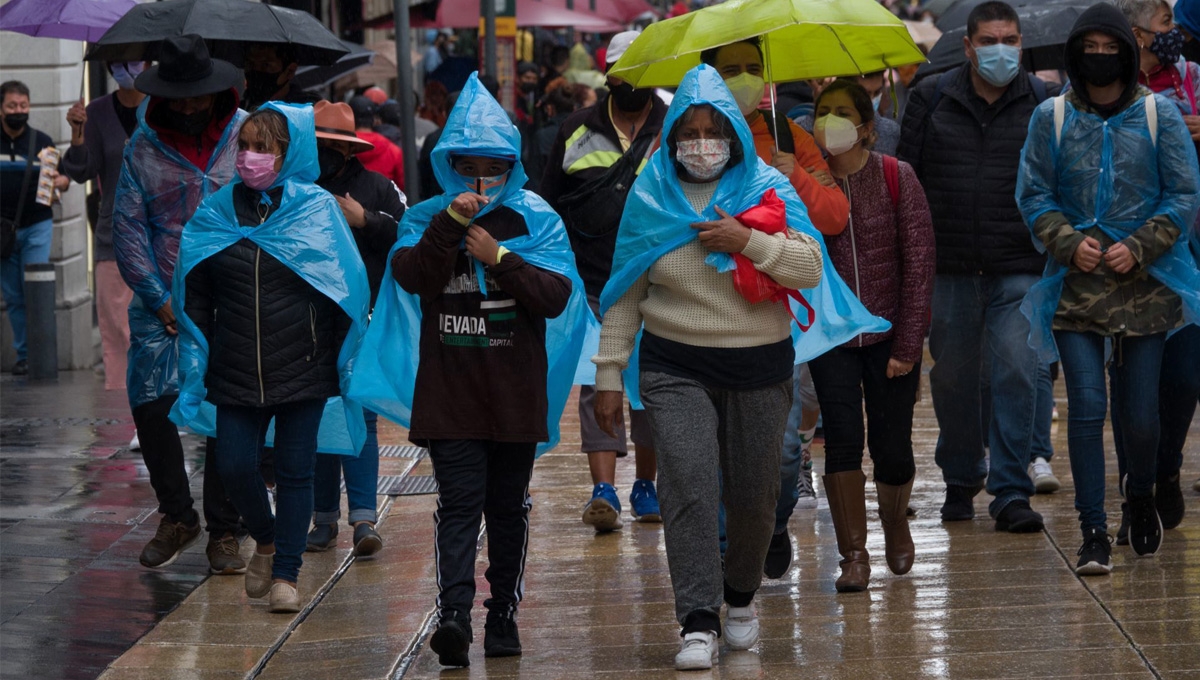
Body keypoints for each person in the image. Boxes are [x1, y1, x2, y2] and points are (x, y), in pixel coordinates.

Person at [593, 64, 882, 671]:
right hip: (675, 364)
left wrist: (745, 241)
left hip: (759, 364)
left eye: (713, 130)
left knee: (755, 495)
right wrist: (609, 371)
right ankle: (697, 619)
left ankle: (740, 597)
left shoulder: (768, 184)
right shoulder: (652, 193)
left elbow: (807, 267)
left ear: (733, 133)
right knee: (690, 486)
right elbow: (624, 288)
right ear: (671, 138)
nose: (701, 143)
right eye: (688, 132)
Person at [346, 73, 593, 667]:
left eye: (495, 167)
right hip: (450, 394)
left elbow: (556, 296)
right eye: (469, 166)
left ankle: (502, 611)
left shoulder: (537, 218)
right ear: (449, 165)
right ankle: (453, 613)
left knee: (508, 508)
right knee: (457, 505)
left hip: (515, 393)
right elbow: (411, 276)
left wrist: (500, 258)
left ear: (513, 166)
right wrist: (450, 226)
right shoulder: (428, 216)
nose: (482, 179)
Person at [1017, 3, 1200, 573]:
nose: (1100, 56)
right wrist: (1066, 241)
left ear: (1127, 49)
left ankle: (1139, 494)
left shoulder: (1159, 114)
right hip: (1076, 284)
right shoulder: (1050, 118)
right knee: (1088, 406)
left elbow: (1183, 193)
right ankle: (1092, 529)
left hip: (1147, 282)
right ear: (1075, 53)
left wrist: (1141, 244)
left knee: (1142, 414)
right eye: (1088, 47)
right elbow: (1033, 194)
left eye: (1109, 45)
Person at [173, 103, 370, 611]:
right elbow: (193, 281)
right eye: (245, 146)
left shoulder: (315, 210)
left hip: (303, 366)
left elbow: (345, 286)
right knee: (236, 466)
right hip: (234, 365)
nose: (250, 157)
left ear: (290, 153)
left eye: (264, 147)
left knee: (295, 470)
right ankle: (264, 538)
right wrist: (198, 340)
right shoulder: (216, 211)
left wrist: (334, 357)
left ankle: (286, 573)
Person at [898, 1, 1056, 532]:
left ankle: (1011, 490)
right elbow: (909, 183)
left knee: (1018, 369)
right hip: (951, 267)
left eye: (1009, 40)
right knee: (955, 380)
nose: (1001, 50)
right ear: (967, 47)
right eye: (989, 41)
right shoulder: (930, 98)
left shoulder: (1042, 102)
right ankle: (963, 475)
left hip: (1020, 264)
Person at [701, 37, 851, 573]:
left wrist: (796, 174)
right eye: (730, 69)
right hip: (708, 317)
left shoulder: (789, 135)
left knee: (783, 451)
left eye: (751, 69)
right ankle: (726, 560)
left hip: (784, 314)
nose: (742, 78)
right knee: (715, 447)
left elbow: (834, 216)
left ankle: (773, 521)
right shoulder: (686, 139)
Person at [111, 35, 247, 574]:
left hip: (232, 293)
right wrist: (157, 296)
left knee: (227, 412)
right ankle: (176, 514)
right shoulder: (141, 150)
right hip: (161, 300)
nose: (191, 107)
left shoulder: (245, 136)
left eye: (200, 96)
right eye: (181, 97)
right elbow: (127, 227)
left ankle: (224, 529)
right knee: (152, 407)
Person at [807, 79, 935, 592]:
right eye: (823, 111)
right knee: (840, 441)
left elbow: (920, 265)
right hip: (833, 338)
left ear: (866, 127)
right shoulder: (806, 183)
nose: (831, 120)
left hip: (887, 335)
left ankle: (895, 519)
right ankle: (852, 555)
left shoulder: (895, 176)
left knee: (893, 447)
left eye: (842, 112)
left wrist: (908, 345)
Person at [539, 30, 667, 533]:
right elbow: (550, 203)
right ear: (609, 76)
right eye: (623, 73)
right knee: (598, 381)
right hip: (593, 281)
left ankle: (647, 483)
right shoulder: (575, 129)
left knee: (650, 384)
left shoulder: (672, 127)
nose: (631, 82)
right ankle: (605, 489)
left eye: (641, 73)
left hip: (658, 279)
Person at [306, 100, 405, 557]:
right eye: (317, 144)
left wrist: (364, 220)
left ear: (347, 150)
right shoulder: (297, 188)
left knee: (360, 418)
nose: (322, 153)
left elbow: (409, 237)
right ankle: (322, 519)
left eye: (330, 146)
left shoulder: (379, 188)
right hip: (308, 321)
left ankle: (364, 517)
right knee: (319, 419)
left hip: (362, 323)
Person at [61, 63, 146, 392]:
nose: (126, 69)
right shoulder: (96, 112)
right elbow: (82, 171)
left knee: (160, 332)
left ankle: (162, 414)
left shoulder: (163, 106)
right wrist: (77, 134)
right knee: (117, 333)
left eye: (134, 61)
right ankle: (122, 420)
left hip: (160, 236)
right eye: (117, 63)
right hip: (114, 235)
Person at [2, 81, 70, 377]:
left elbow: (64, 177)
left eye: (23, 106)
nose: (19, 111)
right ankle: (25, 355)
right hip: (2, 232)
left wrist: (62, 182)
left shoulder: (42, 142)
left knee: (37, 288)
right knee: (14, 296)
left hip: (37, 224)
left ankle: (42, 354)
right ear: (1, 108)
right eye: (12, 106)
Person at [1117, 0, 1200, 142]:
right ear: (1138, 35)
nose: (1174, 30)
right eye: (1166, 22)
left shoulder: (1192, 74)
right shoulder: (1113, 83)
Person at [349, 96, 405, 191]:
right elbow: (403, 188)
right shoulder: (393, 150)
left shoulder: (341, 147)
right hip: (385, 204)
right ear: (374, 120)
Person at [242, 43, 319, 110]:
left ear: (290, 71)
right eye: (251, 64)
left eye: (266, 65)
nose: (256, 71)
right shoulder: (237, 109)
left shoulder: (308, 112)